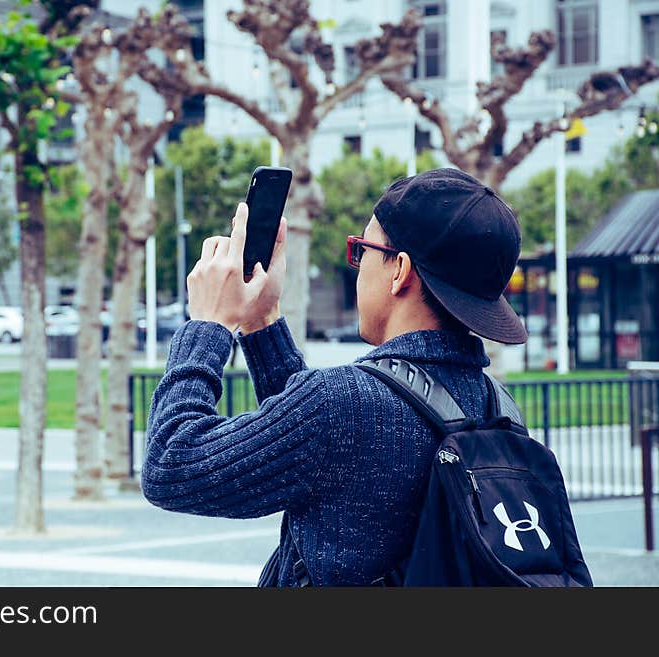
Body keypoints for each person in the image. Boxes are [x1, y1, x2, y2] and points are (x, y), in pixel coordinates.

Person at [141, 168, 528, 586]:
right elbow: (318, 457)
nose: (358, 269)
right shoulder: (496, 407)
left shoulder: (341, 406)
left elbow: (171, 465)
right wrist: (262, 321)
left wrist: (208, 324)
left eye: (362, 250)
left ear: (399, 270)